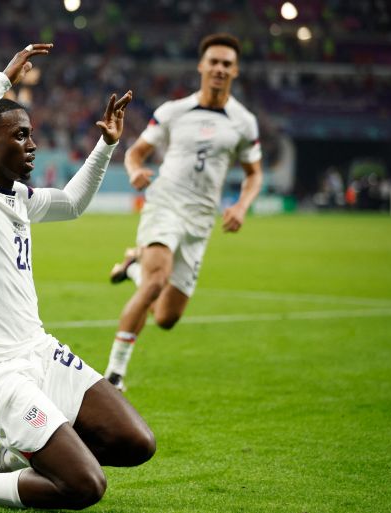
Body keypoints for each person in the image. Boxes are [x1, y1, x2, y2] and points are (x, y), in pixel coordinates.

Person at [0, 43, 154, 510]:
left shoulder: (19, 197)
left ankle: (9, 452)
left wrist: (107, 145)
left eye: (31, 135)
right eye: (20, 135)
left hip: (39, 350)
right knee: (85, 486)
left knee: (136, 443)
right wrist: (2, 82)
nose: (32, 145)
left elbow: (72, 203)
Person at [103, 33, 264, 392]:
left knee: (166, 317)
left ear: (235, 70)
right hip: (165, 204)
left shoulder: (244, 122)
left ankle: (133, 267)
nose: (219, 68)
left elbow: (254, 174)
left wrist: (241, 205)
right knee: (156, 283)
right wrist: (134, 171)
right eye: (214, 62)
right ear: (202, 66)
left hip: (201, 219)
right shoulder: (173, 111)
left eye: (227, 64)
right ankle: (114, 376)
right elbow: (135, 153)